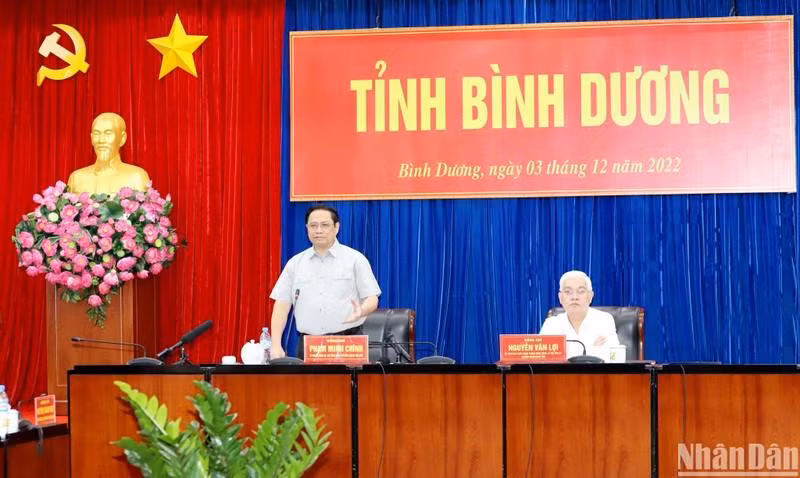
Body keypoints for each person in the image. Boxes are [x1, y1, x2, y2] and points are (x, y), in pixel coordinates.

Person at [269, 205, 381, 359]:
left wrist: (362, 310)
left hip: (347, 343)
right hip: (309, 344)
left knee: (349, 384)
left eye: (325, 225)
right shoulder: (295, 263)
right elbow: (281, 305)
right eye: (313, 226)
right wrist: (276, 345)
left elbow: (372, 298)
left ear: (336, 227)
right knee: (307, 384)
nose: (318, 230)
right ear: (307, 228)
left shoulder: (355, 259)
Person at [539, 270, 620, 359]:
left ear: (590, 296)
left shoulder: (604, 321)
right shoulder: (551, 325)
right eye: (568, 292)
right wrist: (592, 350)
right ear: (560, 298)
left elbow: (614, 358)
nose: (574, 297)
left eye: (581, 291)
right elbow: (542, 361)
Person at [67, 112, 151, 194]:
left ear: (122, 138)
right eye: (97, 134)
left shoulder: (137, 177)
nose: (101, 140)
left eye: (108, 133)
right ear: (91, 138)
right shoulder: (76, 178)